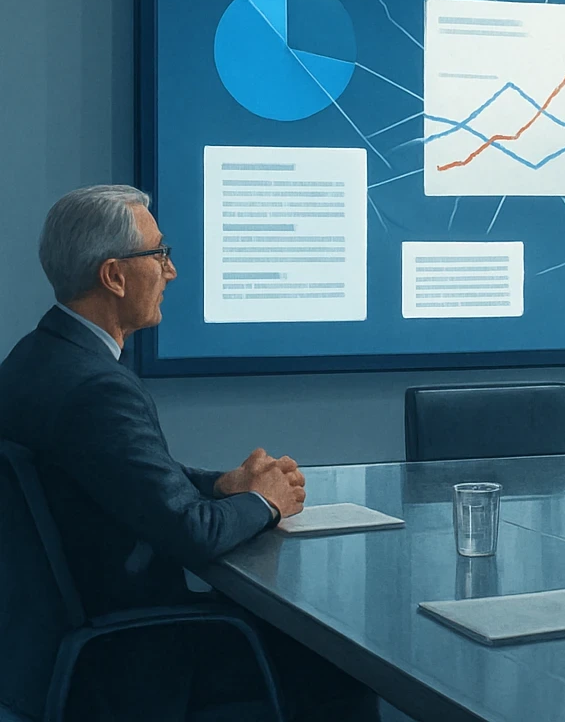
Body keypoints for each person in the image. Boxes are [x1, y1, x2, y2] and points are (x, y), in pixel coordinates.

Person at [0, 185, 377, 721]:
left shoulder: (37, 358)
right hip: (133, 653)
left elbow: (130, 476)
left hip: (49, 648)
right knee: (338, 662)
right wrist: (265, 502)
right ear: (114, 276)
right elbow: (191, 534)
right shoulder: (99, 389)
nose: (171, 272)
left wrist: (223, 485)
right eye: (159, 255)